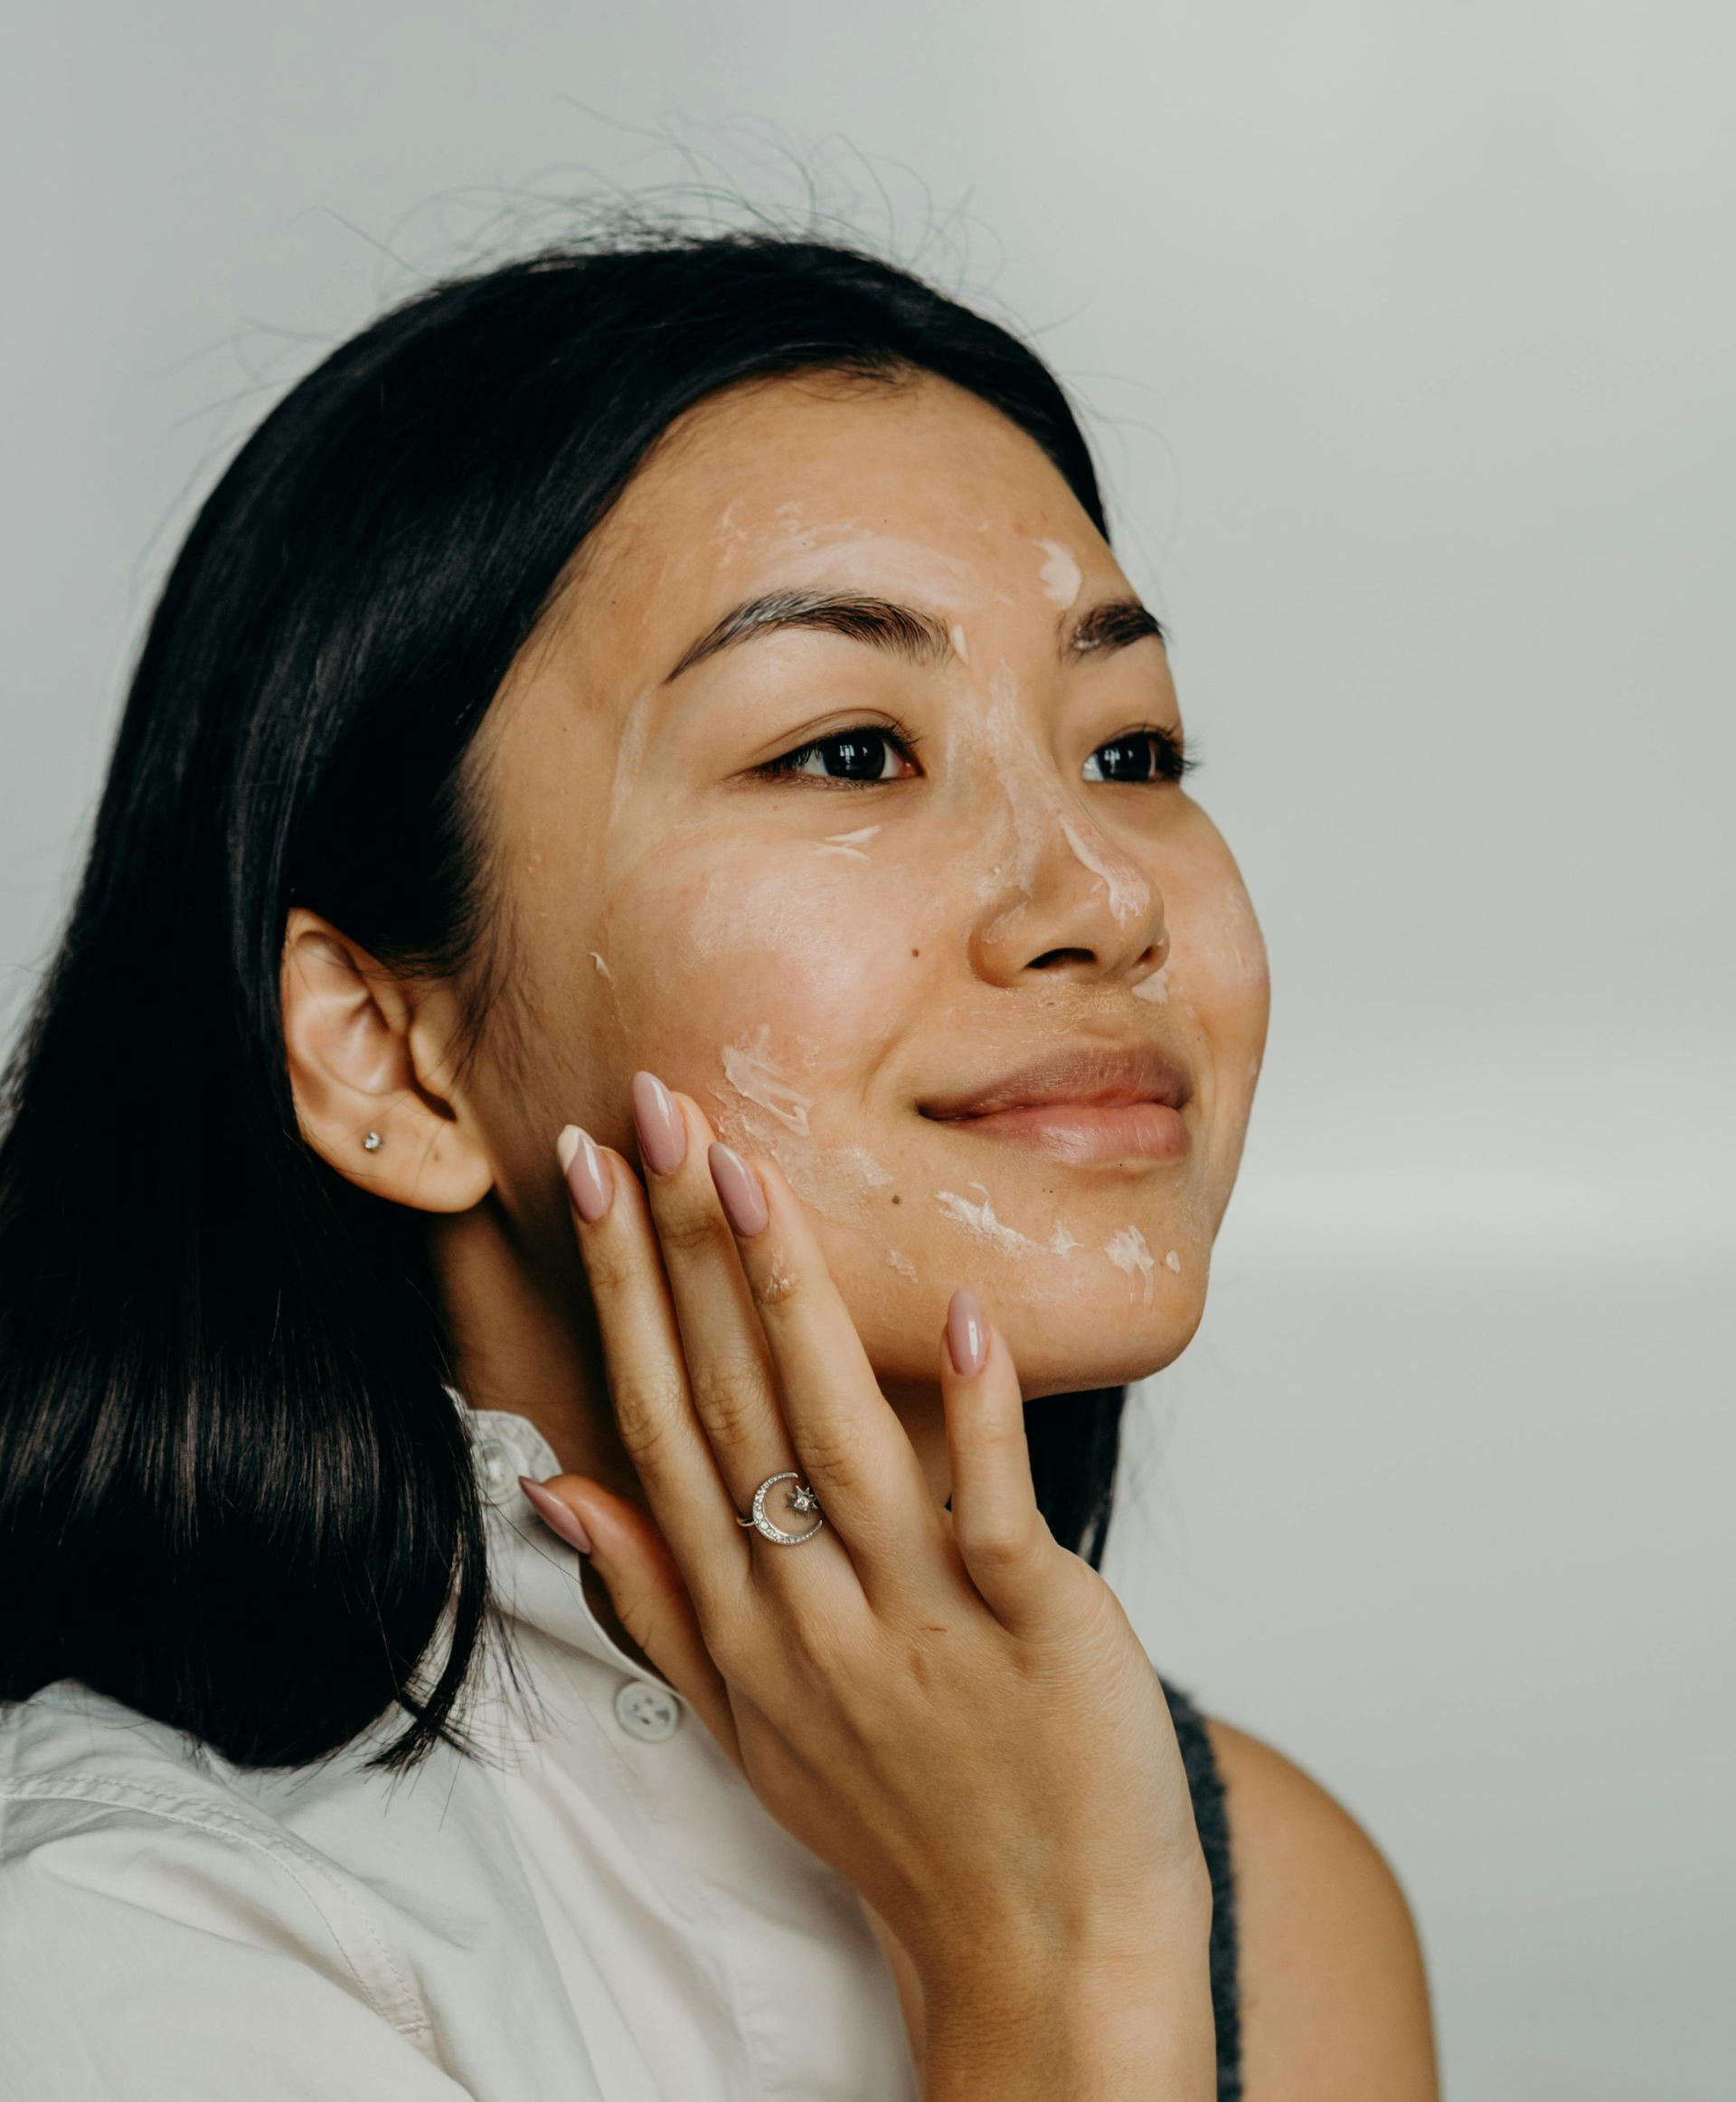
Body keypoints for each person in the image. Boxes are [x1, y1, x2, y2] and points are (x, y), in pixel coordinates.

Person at [0, 220, 1438, 2099]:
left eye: (1135, 748)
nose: (1099, 897)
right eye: (849, 751)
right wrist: (1054, 1984)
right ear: (387, 1054)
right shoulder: (117, 1942)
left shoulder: (1261, 1886)